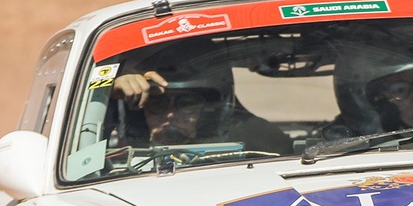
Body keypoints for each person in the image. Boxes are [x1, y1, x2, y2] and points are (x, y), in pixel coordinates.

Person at [112, 63, 291, 154]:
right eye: (158, 104)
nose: (171, 114)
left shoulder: (253, 138)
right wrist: (106, 93)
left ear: (208, 109)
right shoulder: (115, 153)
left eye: (187, 103)